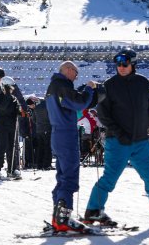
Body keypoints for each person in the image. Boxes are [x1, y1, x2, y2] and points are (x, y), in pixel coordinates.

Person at [84, 48, 149, 230]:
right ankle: (93, 210)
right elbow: (103, 115)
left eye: (125, 63)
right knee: (109, 179)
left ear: (133, 64)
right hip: (117, 142)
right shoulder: (109, 85)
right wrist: (119, 133)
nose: (121, 67)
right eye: (118, 64)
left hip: (140, 142)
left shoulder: (143, 83)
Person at [45, 60, 98, 232]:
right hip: (66, 134)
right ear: (68, 70)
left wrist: (81, 91)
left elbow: (71, 101)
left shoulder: (54, 86)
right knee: (69, 177)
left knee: (62, 176)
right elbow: (79, 103)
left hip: (57, 133)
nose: (76, 77)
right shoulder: (61, 86)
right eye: (76, 72)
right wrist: (89, 89)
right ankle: (63, 218)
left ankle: (58, 216)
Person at [0, 67, 25, 173]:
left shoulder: (12, 87)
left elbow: (20, 99)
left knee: (13, 145)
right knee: (0, 145)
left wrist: (26, 110)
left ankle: (13, 167)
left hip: (11, 120)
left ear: (2, 77)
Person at [32, 95, 52, 170]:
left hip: (39, 130)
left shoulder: (37, 107)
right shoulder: (49, 107)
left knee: (40, 147)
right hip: (47, 128)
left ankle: (39, 164)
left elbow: (33, 119)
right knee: (47, 147)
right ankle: (46, 165)